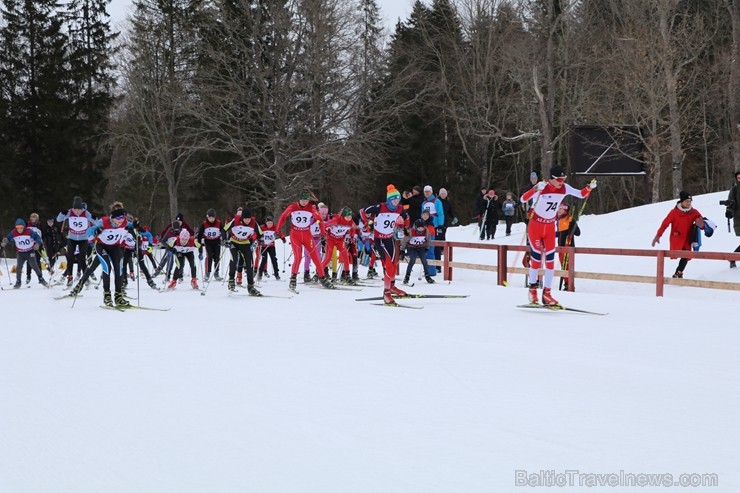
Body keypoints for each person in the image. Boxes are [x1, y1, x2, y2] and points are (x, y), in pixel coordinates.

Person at [520, 166, 596, 306]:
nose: (562, 182)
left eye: (564, 179)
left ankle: (547, 294)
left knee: (550, 261)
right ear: (552, 179)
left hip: (549, 227)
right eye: (559, 179)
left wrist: (589, 188)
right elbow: (523, 199)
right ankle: (532, 291)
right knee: (536, 260)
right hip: (536, 227)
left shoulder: (564, 188)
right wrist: (535, 189)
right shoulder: (543, 188)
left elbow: (580, 194)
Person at [277, 190, 334, 291]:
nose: (304, 202)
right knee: (298, 257)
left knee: (316, 257)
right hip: (295, 235)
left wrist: (322, 231)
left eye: (306, 200)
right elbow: (283, 216)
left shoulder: (311, 208)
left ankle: (322, 278)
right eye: (303, 200)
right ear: (299, 199)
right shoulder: (293, 206)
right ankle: (293, 279)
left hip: (307, 234)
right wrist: (278, 229)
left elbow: (319, 219)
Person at [362, 184, 409, 305]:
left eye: (398, 199)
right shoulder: (380, 207)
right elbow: (364, 211)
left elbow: (406, 217)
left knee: (394, 265)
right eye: (394, 199)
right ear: (389, 199)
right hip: (379, 240)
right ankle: (386, 292)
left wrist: (405, 227)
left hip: (389, 239)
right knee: (389, 267)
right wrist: (367, 223)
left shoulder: (399, 208)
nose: (396, 201)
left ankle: (392, 287)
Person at [82, 202, 131, 307]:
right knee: (106, 268)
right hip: (102, 246)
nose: (121, 220)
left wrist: (137, 226)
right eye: (118, 218)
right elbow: (89, 231)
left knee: (119, 269)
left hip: (115, 247)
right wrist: (94, 236)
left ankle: (118, 296)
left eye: (122, 217)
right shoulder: (103, 221)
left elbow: (131, 226)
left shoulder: (124, 222)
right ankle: (107, 296)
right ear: (112, 217)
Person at [651, 191, 706, 279]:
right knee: (684, 255)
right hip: (677, 238)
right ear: (681, 201)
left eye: (690, 201)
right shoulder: (674, 212)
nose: (689, 203)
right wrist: (658, 235)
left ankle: (678, 273)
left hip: (688, 238)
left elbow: (702, 223)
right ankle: (678, 273)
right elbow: (665, 224)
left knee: (687, 255)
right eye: (687, 201)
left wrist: (702, 225)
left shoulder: (694, 212)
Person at [57, 196, 94, 287]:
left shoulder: (86, 213)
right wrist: (62, 213)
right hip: (72, 238)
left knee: (82, 259)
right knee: (70, 258)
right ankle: (70, 278)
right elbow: (58, 219)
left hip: (83, 239)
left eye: (79, 210)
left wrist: (96, 220)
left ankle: (86, 278)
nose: (77, 212)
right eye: (76, 210)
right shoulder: (70, 212)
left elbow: (95, 221)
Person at [1, 219, 49, 288]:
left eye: (21, 228)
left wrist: (37, 244)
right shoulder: (14, 232)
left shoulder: (29, 231)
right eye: (18, 228)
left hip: (30, 252)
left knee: (34, 265)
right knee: (19, 267)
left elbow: (37, 238)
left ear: (24, 227)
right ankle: (18, 282)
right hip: (20, 253)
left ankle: (41, 279)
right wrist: (5, 242)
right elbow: (8, 238)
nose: (19, 229)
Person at [224, 208, 261, 295]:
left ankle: (250, 286)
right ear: (242, 218)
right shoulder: (235, 221)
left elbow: (260, 233)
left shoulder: (253, 223)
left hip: (245, 243)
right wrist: (225, 240)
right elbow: (224, 229)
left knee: (249, 263)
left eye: (249, 219)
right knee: (234, 259)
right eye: (245, 219)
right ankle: (231, 280)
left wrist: (261, 239)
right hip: (234, 242)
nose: (247, 220)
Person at [320, 206, 358, 284]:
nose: (349, 218)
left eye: (350, 216)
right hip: (331, 239)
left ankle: (347, 275)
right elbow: (324, 225)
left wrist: (351, 237)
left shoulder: (351, 222)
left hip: (340, 240)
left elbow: (353, 229)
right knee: (328, 257)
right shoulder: (336, 220)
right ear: (343, 216)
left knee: (345, 256)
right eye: (347, 216)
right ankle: (319, 273)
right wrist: (325, 232)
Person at [401, 219, 436, 285]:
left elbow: (428, 240)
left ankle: (427, 276)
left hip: (421, 247)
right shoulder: (411, 231)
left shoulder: (426, 231)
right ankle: (407, 277)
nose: (420, 229)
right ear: (416, 227)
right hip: (411, 247)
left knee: (424, 261)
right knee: (412, 260)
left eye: (422, 228)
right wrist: (402, 250)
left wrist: (427, 248)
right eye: (419, 228)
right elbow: (404, 240)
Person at [556, 202, 580, 291]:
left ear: (565, 210)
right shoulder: (558, 220)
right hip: (560, 247)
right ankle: (566, 284)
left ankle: (570, 284)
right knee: (563, 266)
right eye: (558, 209)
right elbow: (558, 234)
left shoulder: (570, 219)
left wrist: (572, 226)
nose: (558, 210)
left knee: (568, 266)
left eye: (561, 209)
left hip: (569, 247)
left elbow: (578, 233)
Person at [197, 209, 224, 281]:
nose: (211, 219)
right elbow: (199, 235)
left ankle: (216, 273)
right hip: (208, 241)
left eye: (212, 217)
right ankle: (207, 273)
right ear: (207, 217)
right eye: (209, 217)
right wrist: (199, 245)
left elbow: (223, 231)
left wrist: (224, 239)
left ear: (215, 217)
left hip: (217, 241)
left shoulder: (219, 223)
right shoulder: (204, 224)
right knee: (209, 256)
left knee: (217, 257)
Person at [257, 216, 285, 281]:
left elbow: (279, 233)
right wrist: (260, 240)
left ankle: (276, 274)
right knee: (264, 260)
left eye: (271, 223)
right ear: (266, 223)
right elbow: (257, 234)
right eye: (268, 223)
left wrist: (282, 238)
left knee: (274, 259)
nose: (270, 224)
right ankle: (260, 274)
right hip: (264, 246)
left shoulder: (275, 227)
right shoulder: (262, 228)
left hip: (271, 246)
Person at [436, 188, 454, 272]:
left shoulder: (448, 202)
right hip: (438, 222)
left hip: (445, 222)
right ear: (439, 194)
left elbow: (451, 211)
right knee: (438, 236)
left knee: (443, 234)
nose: (443, 195)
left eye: (444, 194)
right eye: (442, 194)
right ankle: (439, 249)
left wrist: (453, 217)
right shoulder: (437, 201)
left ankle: (442, 248)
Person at [724, 170, 740, 268]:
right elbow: (730, 203)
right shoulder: (734, 190)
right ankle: (732, 257)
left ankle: (732, 257)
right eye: (739, 178)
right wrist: (729, 211)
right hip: (739, 219)